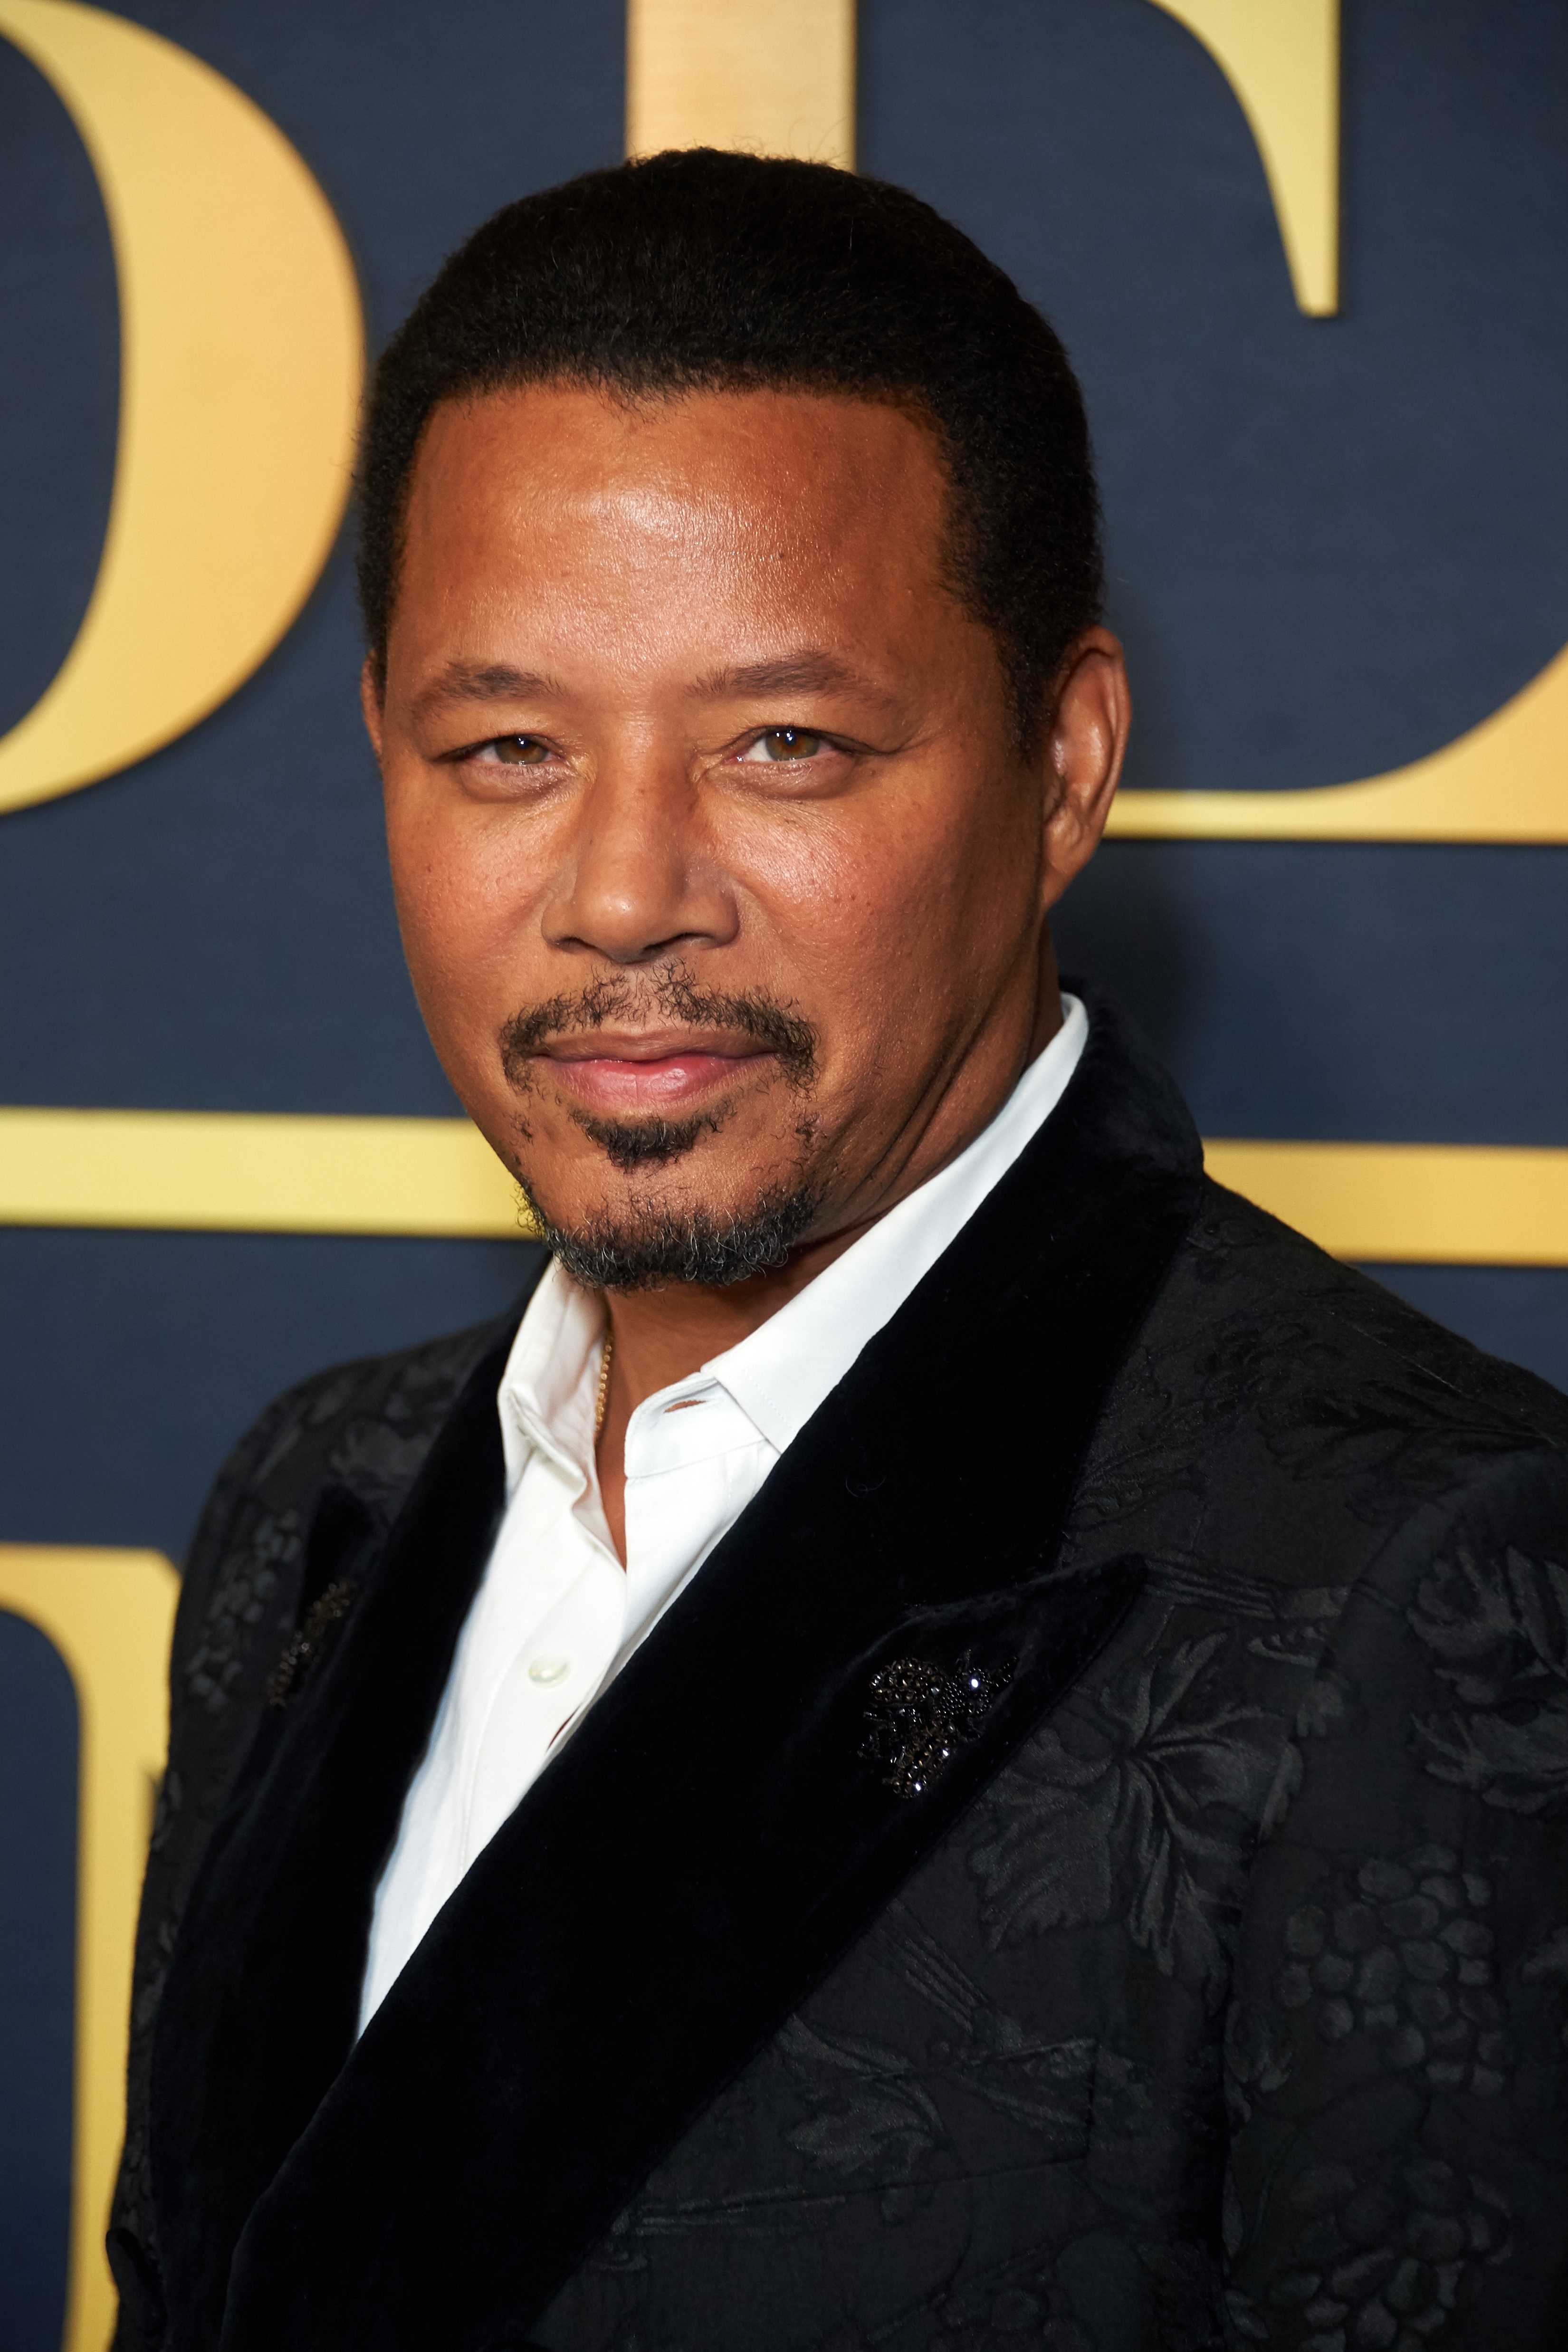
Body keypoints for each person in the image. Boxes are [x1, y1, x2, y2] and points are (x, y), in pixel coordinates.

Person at [109, 150, 1568, 2352]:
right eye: (506, 747)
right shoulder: (314, 1506)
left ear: (1063, 764)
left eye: (781, 744)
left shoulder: (1425, 1589)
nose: (623, 892)